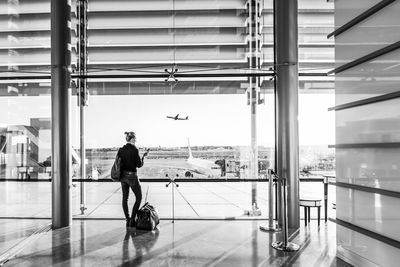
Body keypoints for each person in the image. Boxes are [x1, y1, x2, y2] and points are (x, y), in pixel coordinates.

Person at [118, 131, 148, 227]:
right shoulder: (134, 149)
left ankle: (128, 219)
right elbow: (138, 165)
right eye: (135, 138)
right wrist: (143, 157)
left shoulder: (121, 149)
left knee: (125, 198)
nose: (136, 140)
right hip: (132, 177)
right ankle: (133, 219)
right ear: (131, 139)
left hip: (123, 177)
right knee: (138, 197)